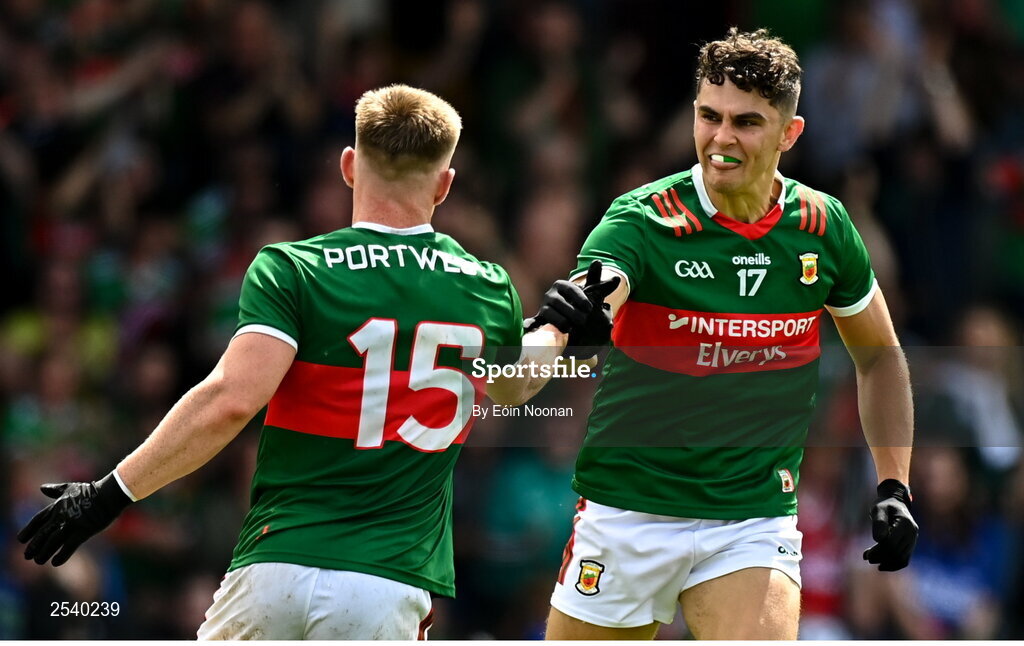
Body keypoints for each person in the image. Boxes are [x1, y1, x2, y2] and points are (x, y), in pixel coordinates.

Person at [16, 84, 616, 640]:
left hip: (276, 566)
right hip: (390, 583)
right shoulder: (487, 287)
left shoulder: (295, 269)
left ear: (349, 166)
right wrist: (558, 330)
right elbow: (513, 387)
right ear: (444, 185)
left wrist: (109, 495)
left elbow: (230, 400)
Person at [545, 28, 918, 640]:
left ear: (789, 134)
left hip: (751, 518)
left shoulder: (823, 226)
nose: (720, 140)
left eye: (746, 122)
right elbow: (593, 298)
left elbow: (880, 358)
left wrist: (894, 483)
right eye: (708, 117)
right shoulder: (642, 219)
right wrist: (571, 328)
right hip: (628, 511)